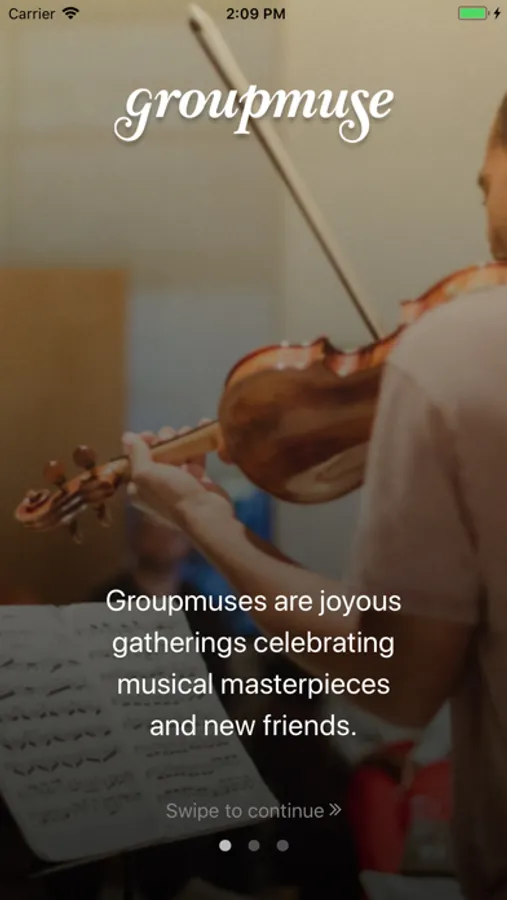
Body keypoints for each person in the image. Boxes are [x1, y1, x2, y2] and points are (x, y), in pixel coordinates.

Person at [119, 94, 507, 900]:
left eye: (483, 186)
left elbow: (395, 681)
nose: (483, 222)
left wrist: (201, 517)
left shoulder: (461, 351)